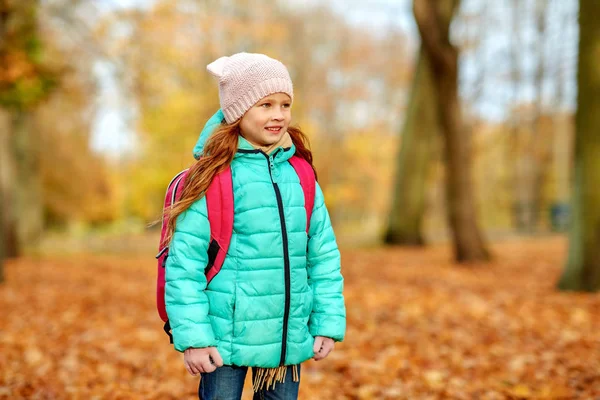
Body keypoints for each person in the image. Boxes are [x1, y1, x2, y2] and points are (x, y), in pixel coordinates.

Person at [163, 52, 346, 400]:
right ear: (237, 111)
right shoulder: (214, 177)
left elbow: (323, 257)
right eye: (265, 104)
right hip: (223, 342)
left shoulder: (300, 174)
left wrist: (326, 323)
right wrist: (196, 340)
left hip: (283, 340)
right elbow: (184, 266)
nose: (278, 115)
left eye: (285, 104)